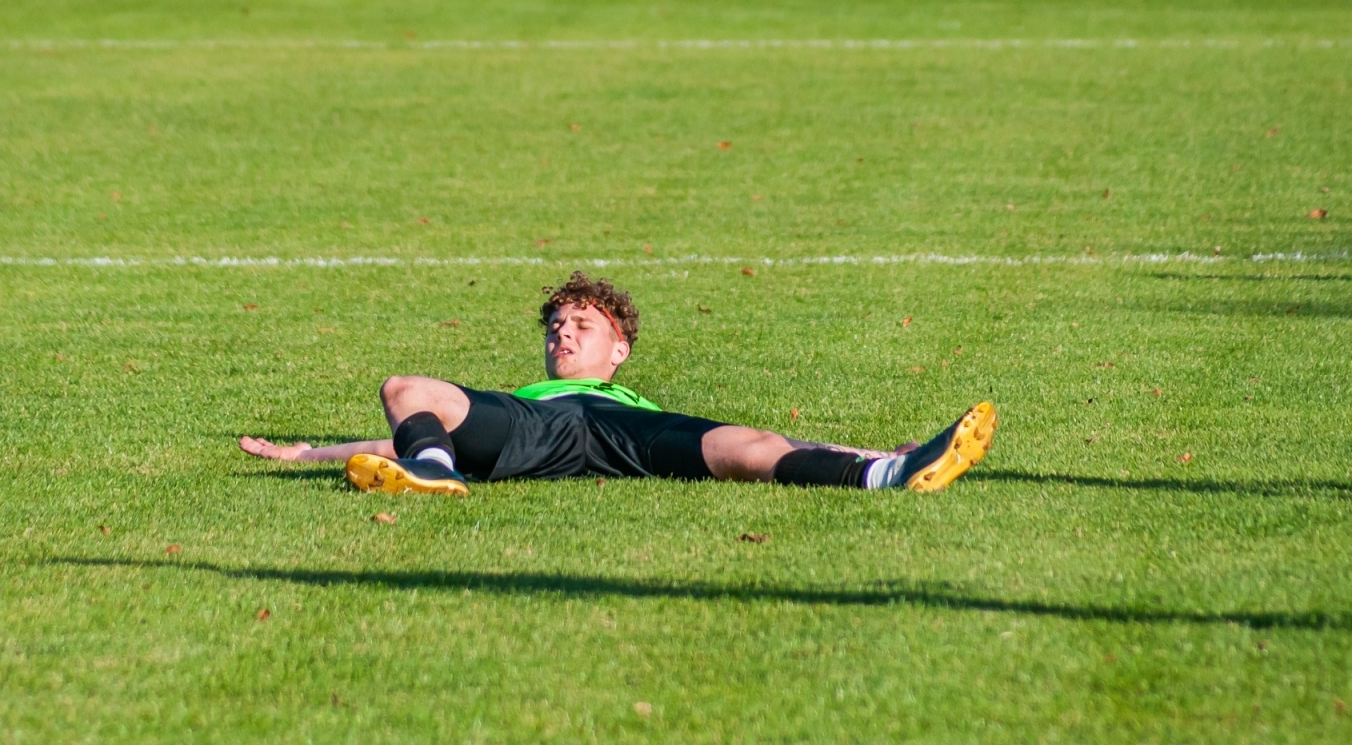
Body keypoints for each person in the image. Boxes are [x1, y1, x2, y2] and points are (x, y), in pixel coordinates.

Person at [241, 271, 997, 497]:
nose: (562, 333)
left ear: (620, 350)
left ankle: (890, 473)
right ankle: (431, 480)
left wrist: (872, 446)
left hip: (622, 434)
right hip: (536, 431)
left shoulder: (633, 400)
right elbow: (402, 427)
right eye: (555, 326)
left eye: (582, 325)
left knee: (752, 445)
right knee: (407, 385)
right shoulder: (524, 400)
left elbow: (780, 442)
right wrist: (306, 451)